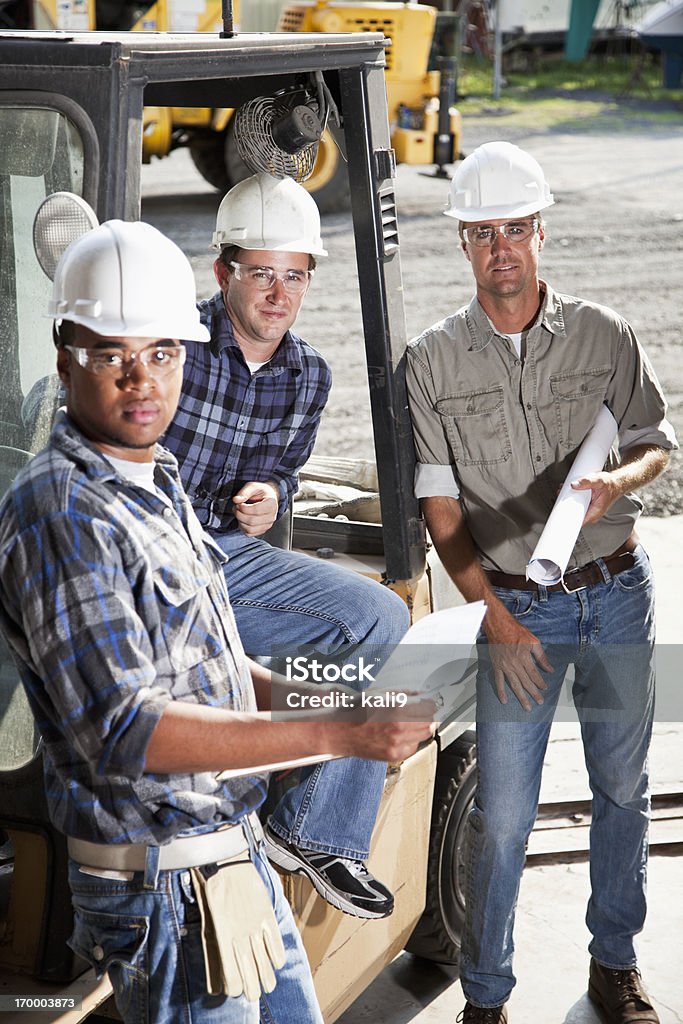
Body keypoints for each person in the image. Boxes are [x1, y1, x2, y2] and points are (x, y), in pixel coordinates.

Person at [0, 220, 434, 1024]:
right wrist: (338, 736)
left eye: (162, 354)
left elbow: (223, 670)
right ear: (64, 358)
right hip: (159, 892)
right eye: (112, 355)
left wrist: (338, 705)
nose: (142, 380)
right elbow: (130, 731)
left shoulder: (156, 478)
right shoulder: (64, 511)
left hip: (230, 860)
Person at [405, 141, 678, 1024]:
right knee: (502, 814)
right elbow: (440, 511)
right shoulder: (433, 362)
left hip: (616, 593)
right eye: (482, 233)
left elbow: (652, 444)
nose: (500, 249)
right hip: (516, 608)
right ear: (463, 245)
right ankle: (484, 997)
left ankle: (612, 964)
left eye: (514, 229)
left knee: (621, 793)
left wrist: (616, 483)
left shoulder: (605, 334)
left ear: (540, 232)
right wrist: (495, 617)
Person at [162, 171, 411, 920]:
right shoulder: (173, 347)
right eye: (262, 274)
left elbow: (278, 475)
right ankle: (297, 807)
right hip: (158, 563)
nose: (278, 293)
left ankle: (311, 828)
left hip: (230, 557)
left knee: (379, 618)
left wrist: (271, 497)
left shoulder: (307, 376)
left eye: (294, 277)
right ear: (222, 272)